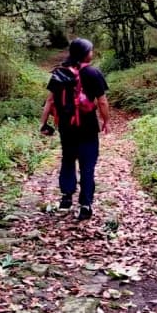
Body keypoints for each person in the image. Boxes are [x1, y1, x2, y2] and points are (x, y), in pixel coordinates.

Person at [40, 38, 110, 221]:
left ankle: (66, 198)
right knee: (87, 165)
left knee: (68, 159)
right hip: (87, 128)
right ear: (86, 53)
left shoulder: (59, 73)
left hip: (66, 127)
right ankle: (85, 205)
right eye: (91, 50)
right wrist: (106, 121)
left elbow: (49, 100)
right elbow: (102, 101)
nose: (92, 53)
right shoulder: (94, 73)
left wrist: (43, 123)